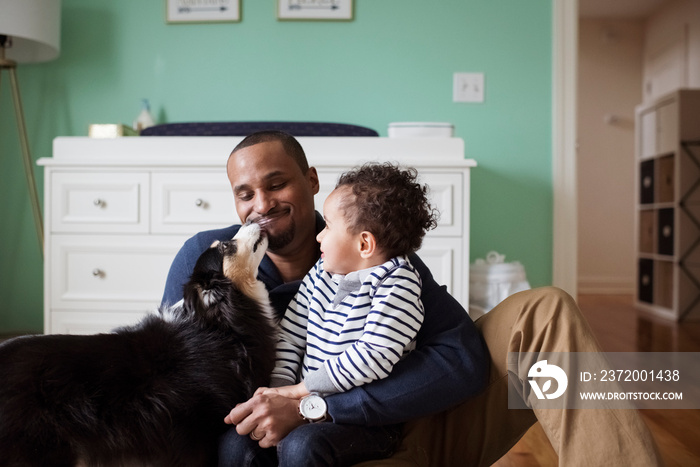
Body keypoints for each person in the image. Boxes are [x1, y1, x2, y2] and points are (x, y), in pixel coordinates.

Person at [161, 130, 662, 466]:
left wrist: (319, 406)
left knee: (544, 308)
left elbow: (463, 360)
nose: (262, 204)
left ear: (311, 180)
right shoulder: (208, 263)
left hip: (401, 431)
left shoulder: (371, 247)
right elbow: (177, 388)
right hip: (309, 455)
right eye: (245, 193)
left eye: (277, 183)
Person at [257, 163, 438, 462]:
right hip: (305, 404)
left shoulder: (398, 284)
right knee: (237, 443)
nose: (319, 236)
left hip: (366, 421)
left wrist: (301, 391)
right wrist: (279, 392)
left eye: (327, 226)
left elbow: (373, 356)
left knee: (302, 446)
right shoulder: (321, 273)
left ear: (364, 243)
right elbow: (290, 336)